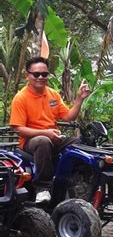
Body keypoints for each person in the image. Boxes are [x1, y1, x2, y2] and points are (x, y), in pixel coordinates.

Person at [9, 56, 91, 203]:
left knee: (78, 143)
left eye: (44, 74)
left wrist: (79, 99)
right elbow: (19, 130)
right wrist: (45, 132)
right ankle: (42, 188)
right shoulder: (20, 98)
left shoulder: (53, 94)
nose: (41, 77)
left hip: (52, 137)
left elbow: (68, 117)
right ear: (27, 75)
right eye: (36, 74)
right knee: (43, 141)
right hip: (30, 141)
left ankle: (77, 181)